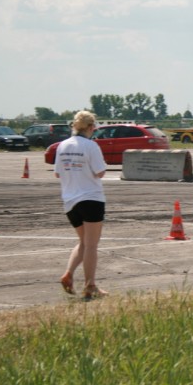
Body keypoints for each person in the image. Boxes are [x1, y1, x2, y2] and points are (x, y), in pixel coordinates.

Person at [55, 110, 108, 299]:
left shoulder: (62, 146)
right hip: (91, 198)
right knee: (92, 245)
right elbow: (100, 172)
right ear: (91, 127)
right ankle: (90, 286)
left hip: (70, 201)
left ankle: (69, 273)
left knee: (83, 242)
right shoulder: (91, 146)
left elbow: (57, 173)